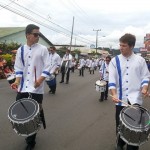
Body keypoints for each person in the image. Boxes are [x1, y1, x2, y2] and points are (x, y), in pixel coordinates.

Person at [11, 24, 51, 150]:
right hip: (23, 88)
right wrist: (17, 81)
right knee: (21, 114)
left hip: (36, 89)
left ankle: (31, 141)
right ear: (28, 35)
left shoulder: (43, 49)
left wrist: (40, 79)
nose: (37, 36)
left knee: (34, 115)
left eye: (39, 34)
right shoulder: (21, 50)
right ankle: (27, 132)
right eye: (35, 34)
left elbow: (48, 66)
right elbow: (18, 68)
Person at [108, 33, 150, 150]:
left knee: (135, 127)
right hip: (120, 100)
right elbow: (112, 79)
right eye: (120, 45)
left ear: (131, 46)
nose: (121, 47)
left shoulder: (140, 60)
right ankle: (120, 143)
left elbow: (145, 77)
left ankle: (132, 145)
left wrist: (145, 88)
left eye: (124, 46)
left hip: (135, 100)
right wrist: (114, 94)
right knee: (120, 124)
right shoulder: (114, 61)